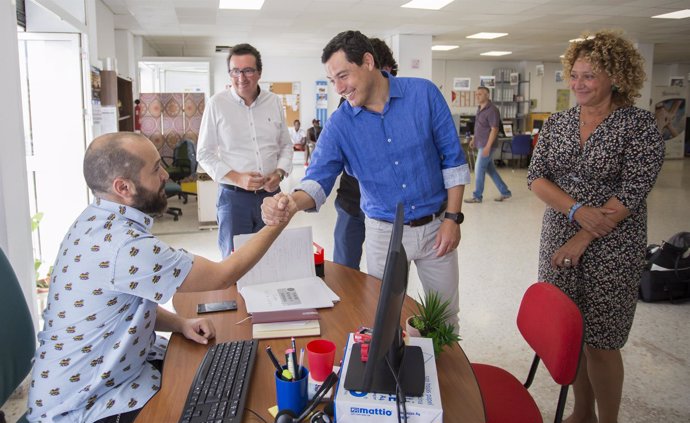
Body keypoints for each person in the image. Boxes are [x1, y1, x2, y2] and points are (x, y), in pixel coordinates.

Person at [27, 132, 287, 423]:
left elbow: (125, 306)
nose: (165, 175)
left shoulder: (94, 220)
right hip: (84, 404)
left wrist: (180, 323)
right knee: (219, 406)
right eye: (154, 169)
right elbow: (223, 275)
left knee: (215, 378)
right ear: (123, 187)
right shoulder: (124, 246)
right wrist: (279, 222)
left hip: (106, 375)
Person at [261, 30, 470, 328]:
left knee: (446, 316)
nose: (339, 88)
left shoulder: (423, 95)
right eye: (333, 81)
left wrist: (453, 218)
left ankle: (441, 374)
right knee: (385, 316)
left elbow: (453, 159)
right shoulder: (341, 125)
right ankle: (396, 372)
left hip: (437, 227)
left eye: (343, 76)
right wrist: (290, 202)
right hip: (384, 233)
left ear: (369, 61)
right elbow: (318, 179)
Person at [526, 30, 665, 423]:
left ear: (616, 77)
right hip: (558, 235)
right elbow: (536, 177)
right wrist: (574, 211)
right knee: (570, 336)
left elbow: (633, 190)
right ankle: (581, 411)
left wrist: (585, 233)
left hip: (613, 244)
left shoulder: (637, 126)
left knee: (602, 341)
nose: (579, 84)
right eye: (575, 75)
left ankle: (608, 420)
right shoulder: (558, 123)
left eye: (589, 76)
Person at [197, 43, 293, 258]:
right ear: (229, 73)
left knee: (272, 258)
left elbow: (286, 145)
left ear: (259, 72)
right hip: (234, 199)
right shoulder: (217, 104)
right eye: (235, 71)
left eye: (248, 70)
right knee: (234, 262)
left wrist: (279, 173)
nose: (241, 77)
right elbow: (204, 152)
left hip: (271, 196)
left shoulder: (274, 102)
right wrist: (237, 177)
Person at [333, 37, 398, 270]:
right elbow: (330, 158)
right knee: (343, 269)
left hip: (387, 211)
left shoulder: (402, 106)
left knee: (387, 278)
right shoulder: (346, 108)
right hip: (352, 202)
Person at [464, 86, 512, 203]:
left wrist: (488, 146)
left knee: (479, 169)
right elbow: (478, 126)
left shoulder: (492, 110)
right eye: (476, 94)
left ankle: (477, 196)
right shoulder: (479, 108)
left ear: (487, 95)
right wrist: (474, 139)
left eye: (480, 94)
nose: (477, 96)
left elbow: (494, 129)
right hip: (480, 143)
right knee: (491, 170)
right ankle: (505, 192)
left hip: (487, 145)